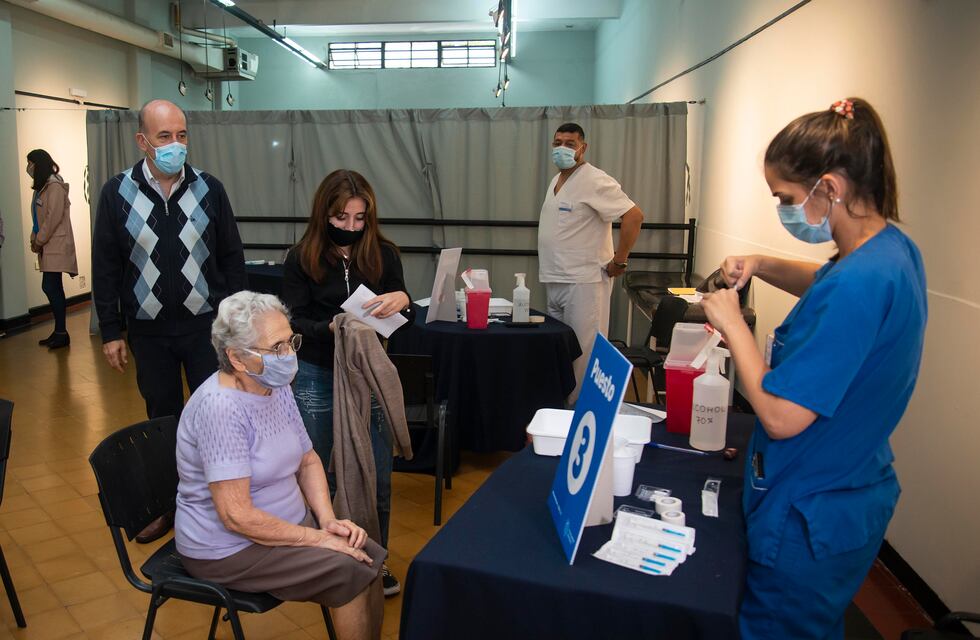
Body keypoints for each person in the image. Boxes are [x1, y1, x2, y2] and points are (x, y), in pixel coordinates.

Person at [701, 98, 927, 640]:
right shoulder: (890, 252)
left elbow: (780, 417)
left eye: (786, 197)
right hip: (848, 485)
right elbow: (827, 283)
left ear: (830, 187)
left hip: (810, 511)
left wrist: (733, 326)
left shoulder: (859, 283)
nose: (783, 208)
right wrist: (761, 264)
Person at [176, 291, 384, 640]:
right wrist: (316, 538)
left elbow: (307, 459)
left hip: (284, 527)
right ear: (237, 358)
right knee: (352, 569)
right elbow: (236, 517)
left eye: (290, 342)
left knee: (368, 554)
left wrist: (327, 520)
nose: (288, 355)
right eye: (276, 348)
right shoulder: (221, 408)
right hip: (230, 548)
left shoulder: (273, 384)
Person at [93, 99, 246, 542]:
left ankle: (223, 506)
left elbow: (231, 258)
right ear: (142, 141)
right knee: (163, 421)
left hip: (206, 331)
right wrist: (110, 331)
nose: (176, 144)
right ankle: (168, 506)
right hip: (149, 332)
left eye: (182, 134)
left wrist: (235, 320)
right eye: (165, 136)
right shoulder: (116, 192)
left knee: (214, 418)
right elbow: (105, 266)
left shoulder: (209, 189)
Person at [282, 169, 413, 597]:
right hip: (317, 374)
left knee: (375, 473)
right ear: (324, 214)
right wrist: (335, 328)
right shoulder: (301, 258)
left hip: (368, 376)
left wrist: (403, 299)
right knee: (322, 473)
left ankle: (376, 559)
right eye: (342, 218)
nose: (351, 228)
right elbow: (293, 323)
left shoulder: (384, 254)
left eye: (360, 219)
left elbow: (400, 310)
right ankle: (331, 555)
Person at [537, 122, 644, 402]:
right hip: (556, 280)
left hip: (584, 283)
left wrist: (619, 262)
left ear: (582, 148)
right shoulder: (556, 182)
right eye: (557, 142)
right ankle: (560, 415)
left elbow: (633, 216)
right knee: (560, 353)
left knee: (584, 358)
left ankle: (581, 421)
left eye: (570, 144)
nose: (562, 148)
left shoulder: (594, 179)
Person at [26, 149, 78, 350]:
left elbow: (52, 219)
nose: (28, 168)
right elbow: (38, 219)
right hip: (47, 244)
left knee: (50, 286)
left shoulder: (54, 186)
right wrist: (35, 238)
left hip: (55, 244)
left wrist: (38, 240)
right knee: (53, 287)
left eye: (30, 163)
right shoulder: (41, 187)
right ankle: (59, 332)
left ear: (39, 164)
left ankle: (61, 333)